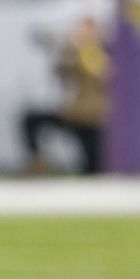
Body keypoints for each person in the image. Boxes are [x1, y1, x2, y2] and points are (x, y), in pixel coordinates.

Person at [20, 16, 108, 175]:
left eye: (86, 32)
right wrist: (63, 53)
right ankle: (37, 162)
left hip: (93, 120)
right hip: (73, 114)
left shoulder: (103, 53)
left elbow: (101, 74)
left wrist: (82, 53)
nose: (82, 36)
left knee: (92, 169)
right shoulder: (74, 53)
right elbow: (61, 75)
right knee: (31, 119)